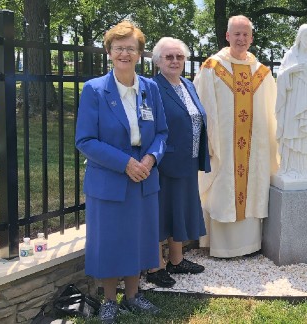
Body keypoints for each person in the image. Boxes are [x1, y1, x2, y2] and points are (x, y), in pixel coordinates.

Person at [75, 21, 166, 323]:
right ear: (109, 52)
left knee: (138, 238)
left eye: (131, 48)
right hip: (111, 179)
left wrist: (151, 159)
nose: (125, 53)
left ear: (140, 53)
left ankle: (133, 296)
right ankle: (109, 301)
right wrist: (125, 163)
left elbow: (162, 133)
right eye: (119, 47)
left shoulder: (150, 89)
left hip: (144, 178)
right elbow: (85, 140)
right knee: (110, 240)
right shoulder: (95, 90)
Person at [194, 15, 278, 258]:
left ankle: (250, 245)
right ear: (227, 36)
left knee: (252, 187)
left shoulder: (261, 72)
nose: (241, 39)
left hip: (255, 147)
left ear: (251, 38)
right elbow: (202, 104)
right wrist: (208, 141)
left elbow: (272, 109)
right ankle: (221, 246)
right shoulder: (212, 68)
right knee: (224, 188)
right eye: (236, 34)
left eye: (245, 34)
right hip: (224, 146)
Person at [148, 37, 209, 286]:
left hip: (188, 158)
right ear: (157, 61)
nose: (175, 61)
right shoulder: (152, 86)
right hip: (164, 161)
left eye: (179, 57)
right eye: (169, 57)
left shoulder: (188, 84)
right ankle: (155, 266)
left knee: (180, 210)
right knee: (161, 213)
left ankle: (176, 259)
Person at [273, 24, 307, 189]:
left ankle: (306, 170)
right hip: (293, 102)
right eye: (306, 36)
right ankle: (289, 168)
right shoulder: (291, 55)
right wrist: (294, 70)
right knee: (293, 133)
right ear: (300, 37)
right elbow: (281, 76)